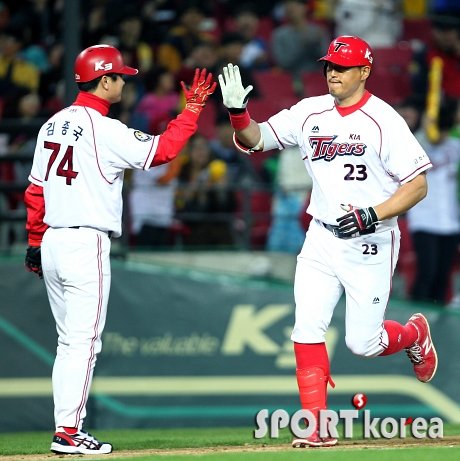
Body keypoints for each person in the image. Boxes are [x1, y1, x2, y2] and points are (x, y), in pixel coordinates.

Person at [218, 35, 437, 448]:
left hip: (370, 240)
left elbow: (418, 185)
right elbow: (256, 139)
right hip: (321, 236)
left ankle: (413, 334)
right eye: (329, 66)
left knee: (363, 343)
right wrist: (237, 113)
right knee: (306, 326)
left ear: (364, 71)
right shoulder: (309, 111)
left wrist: (373, 213)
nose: (333, 73)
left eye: (342, 67)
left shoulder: (383, 120)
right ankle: (316, 424)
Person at [23, 44, 216, 455]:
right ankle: (69, 432)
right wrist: (192, 110)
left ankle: (65, 427)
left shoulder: (51, 124)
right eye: (119, 77)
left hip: (54, 239)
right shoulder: (105, 129)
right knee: (84, 343)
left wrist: (35, 241)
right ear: (104, 79)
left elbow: (35, 191)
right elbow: (162, 151)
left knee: (68, 343)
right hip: (84, 242)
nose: (124, 83)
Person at [407, 98, 460, 305]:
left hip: (451, 222)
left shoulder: (454, 146)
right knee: (426, 272)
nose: (442, 134)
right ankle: (414, 319)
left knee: (442, 276)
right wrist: (427, 125)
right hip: (424, 219)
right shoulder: (417, 145)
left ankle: (433, 322)